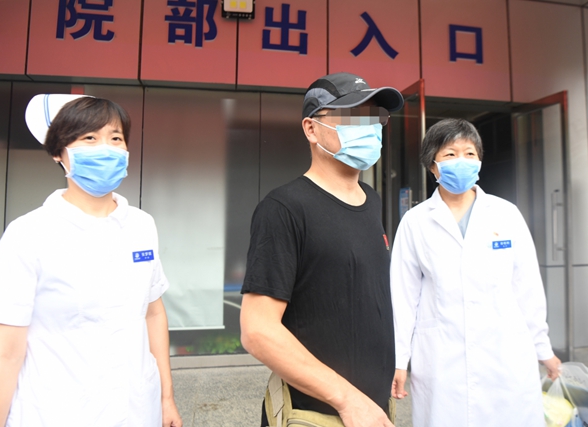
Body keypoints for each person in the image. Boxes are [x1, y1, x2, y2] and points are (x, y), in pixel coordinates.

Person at [0, 94, 182, 427]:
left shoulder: (141, 225)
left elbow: (152, 313)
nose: (106, 148)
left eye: (115, 138)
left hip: (137, 411)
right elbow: (4, 352)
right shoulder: (28, 234)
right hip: (55, 414)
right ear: (58, 153)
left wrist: (166, 399)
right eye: (89, 138)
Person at [240, 72, 404, 427]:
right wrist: (348, 401)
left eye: (374, 117)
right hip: (313, 416)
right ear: (311, 129)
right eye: (352, 116)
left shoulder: (371, 200)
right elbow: (258, 331)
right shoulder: (283, 209)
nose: (368, 127)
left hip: (372, 412)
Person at [390, 118, 561, 427]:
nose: (462, 161)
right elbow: (403, 297)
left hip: (506, 355)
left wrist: (543, 348)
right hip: (443, 359)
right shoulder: (415, 222)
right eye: (450, 154)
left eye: (469, 153)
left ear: (480, 160)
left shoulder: (506, 214)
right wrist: (399, 360)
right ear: (432, 165)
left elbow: (527, 288)